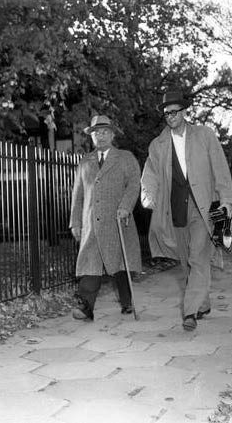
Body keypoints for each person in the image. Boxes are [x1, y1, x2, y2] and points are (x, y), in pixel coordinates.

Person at [140, 89, 232, 331]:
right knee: (186, 262)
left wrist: (227, 200)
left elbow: (220, 170)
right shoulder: (158, 145)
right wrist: (148, 196)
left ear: (184, 112)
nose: (170, 116)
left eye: (174, 112)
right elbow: (149, 175)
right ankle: (202, 303)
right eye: (166, 114)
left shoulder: (204, 136)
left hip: (203, 207)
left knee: (198, 256)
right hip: (174, 209)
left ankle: (189, 312)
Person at [69, 115, 142, 321]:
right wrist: (75, 221)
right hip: (91, 223)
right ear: (91, 137)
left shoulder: (125, 158)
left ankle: (127, 301)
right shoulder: (85, 162)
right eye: (96, 133)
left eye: (104, 132)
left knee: (119, 265)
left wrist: (126, 207)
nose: (100, 136)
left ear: (112, 135)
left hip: (118, 221)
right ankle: (85, 308)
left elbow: (134, 185)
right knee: (90, 265)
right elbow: (78, 194)